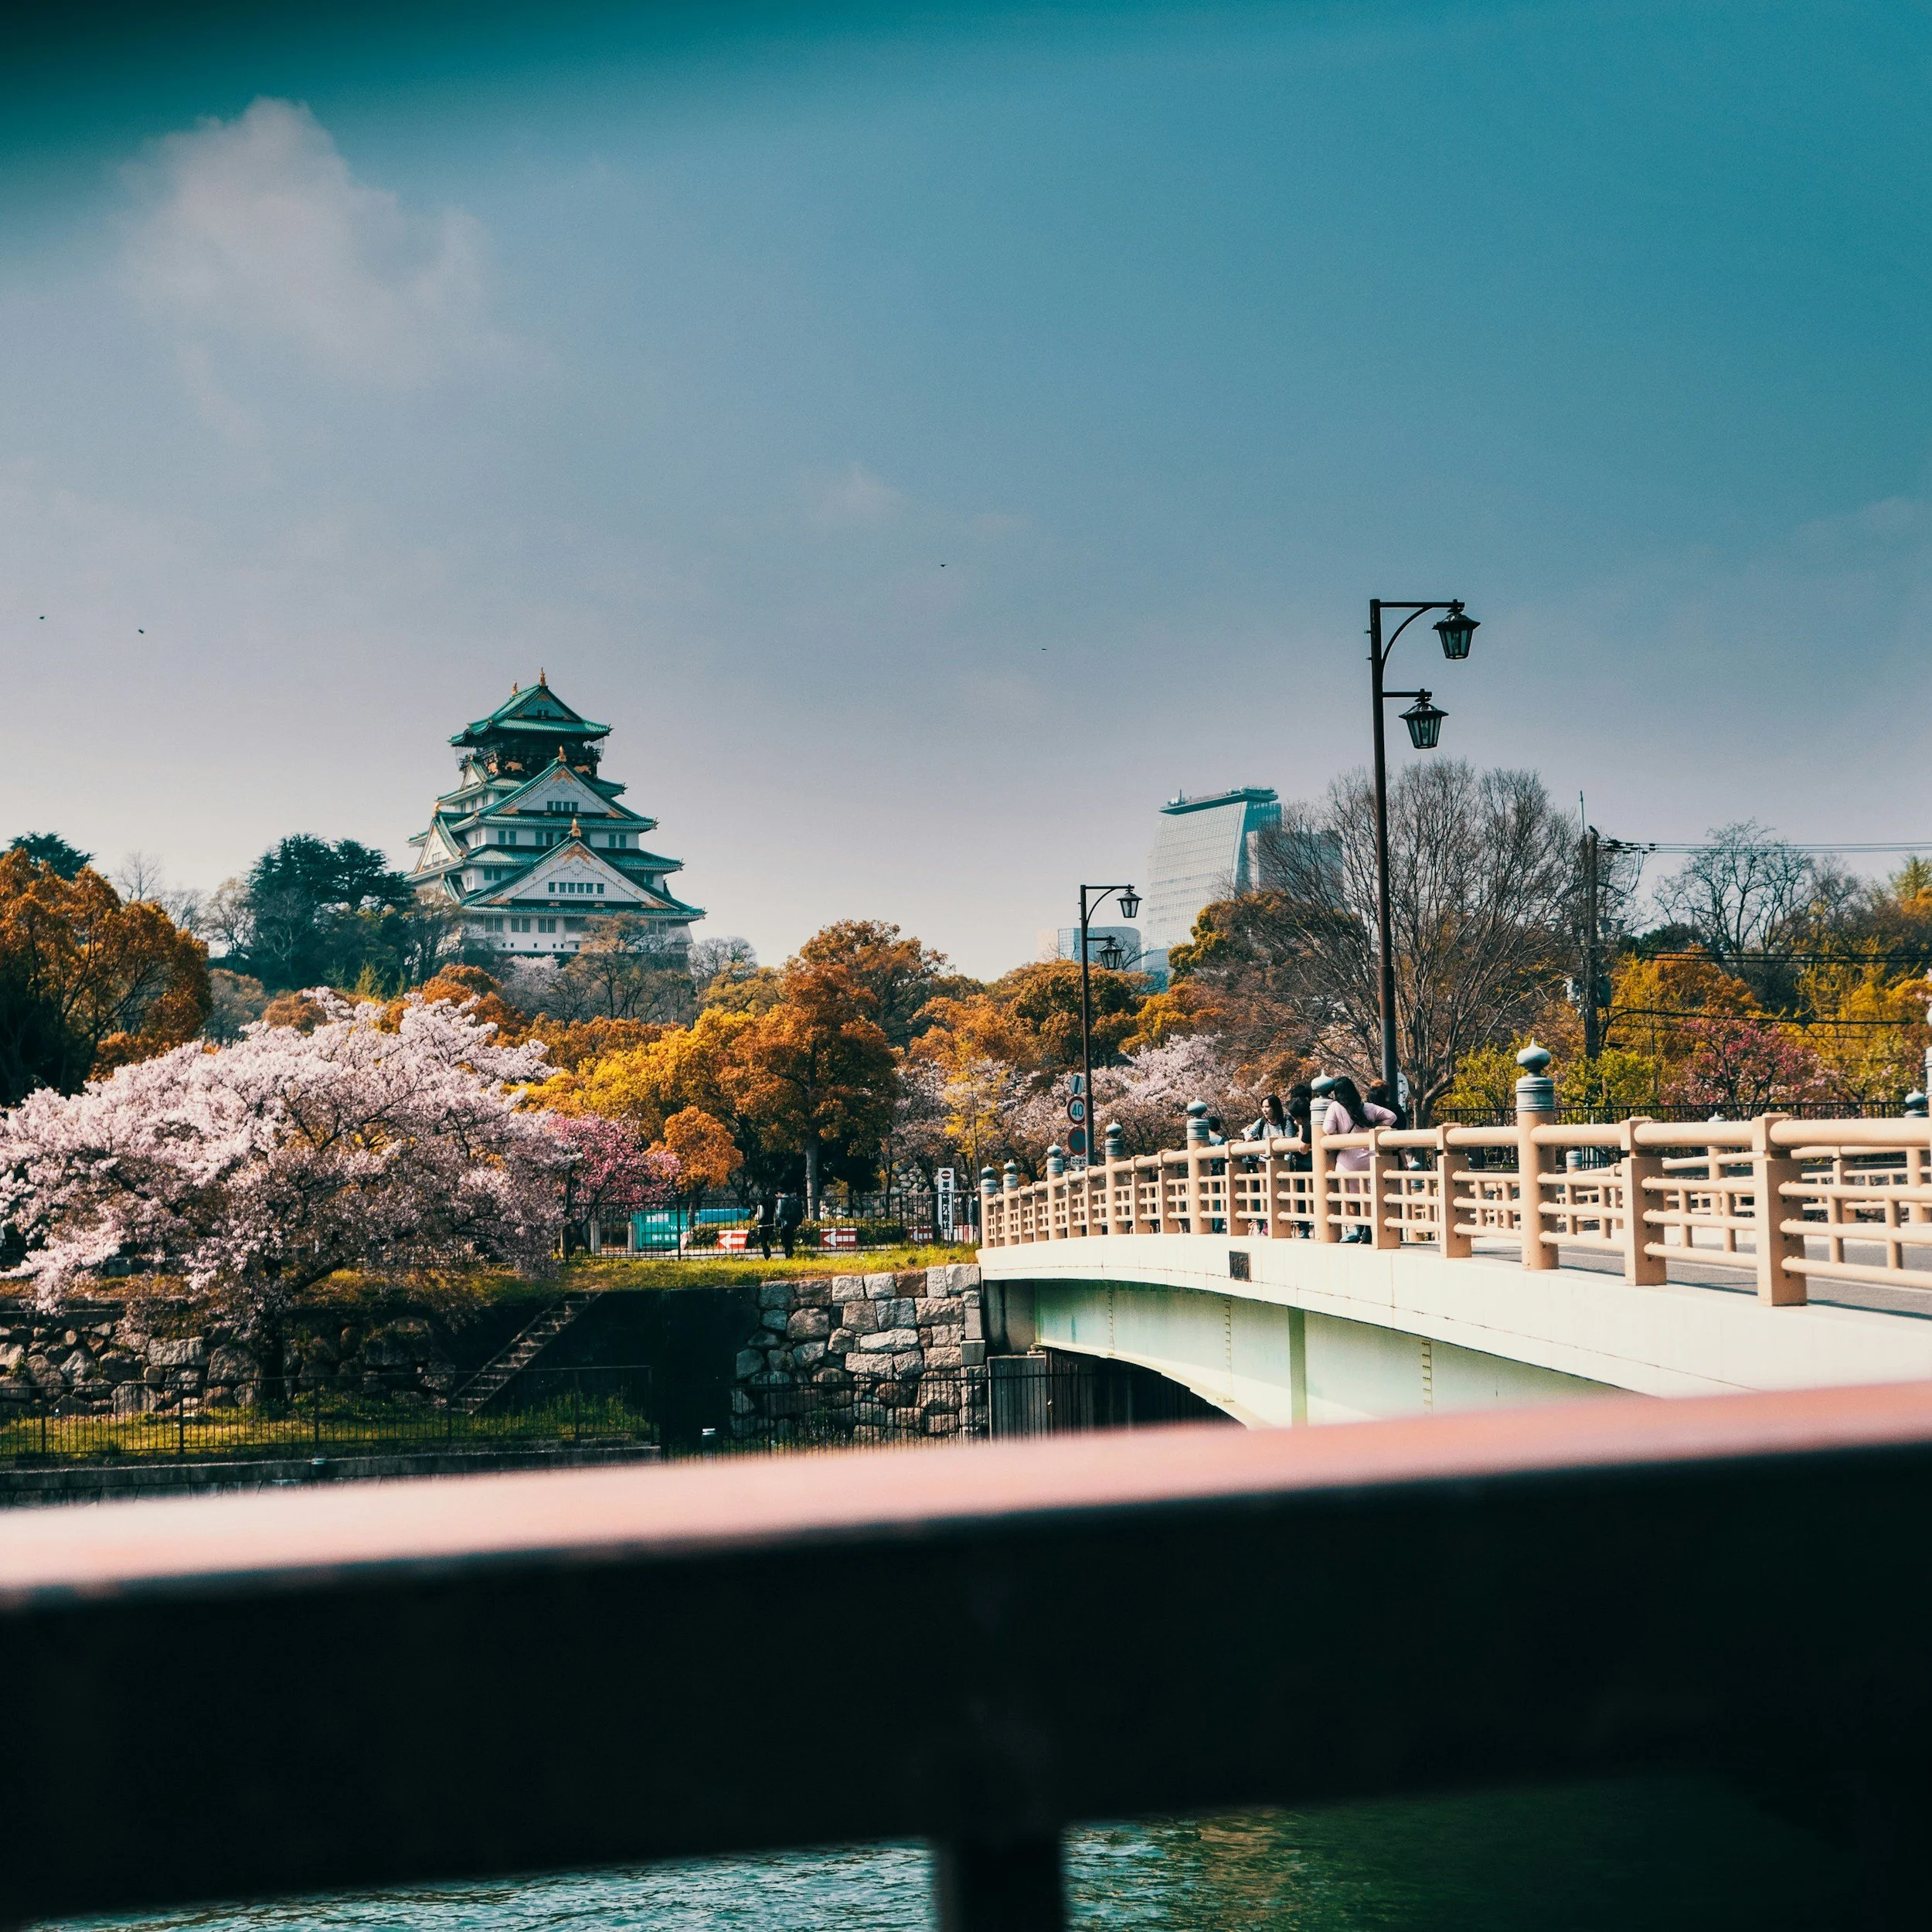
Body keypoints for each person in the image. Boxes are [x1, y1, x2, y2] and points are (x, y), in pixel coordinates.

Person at [1322, 1075, 1396, 1243]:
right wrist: (1376, 1129)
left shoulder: (1335, 1107)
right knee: (1369, 1196)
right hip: (1369, 1159)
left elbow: (1328, 1129)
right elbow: (1392, 1117)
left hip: (1348, 1161)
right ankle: (1370, 1230)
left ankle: (1357, 1229)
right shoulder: (1368, 1107)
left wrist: (1339, 1136)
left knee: (1352, 1198)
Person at [774, 1189, 804, 1259]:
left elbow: (780, 1213)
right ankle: (791, 1253)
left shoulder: (781, 1200)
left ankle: (788, 1255)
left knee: (785, 1240)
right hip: (792, 1222)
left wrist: (777, 1215)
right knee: (790, 1239)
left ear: (779, 1193)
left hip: (785, 1223)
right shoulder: (792, 1199)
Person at [754, 1194, 776, 1261]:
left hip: (763, 1225)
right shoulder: (772, 1203)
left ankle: (767, 1255)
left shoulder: (761, 1204)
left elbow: (760, 1215)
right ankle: (768, 1254)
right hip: (771, 1223)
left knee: (763, 1241)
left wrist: (756, 1217)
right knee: (768, 1240)